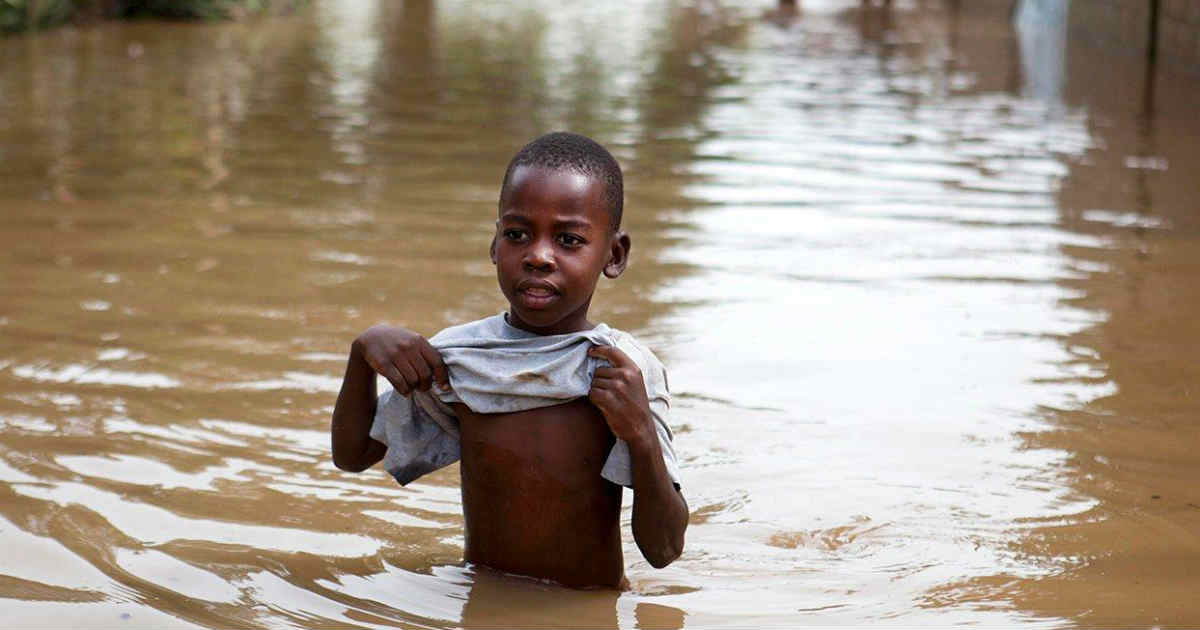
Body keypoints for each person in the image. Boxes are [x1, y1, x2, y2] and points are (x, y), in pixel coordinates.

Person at [330, 132, 688, 589]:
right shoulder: (460, 360)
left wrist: (640, 434)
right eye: (517, 235)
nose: (538, 256)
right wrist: (362, 356)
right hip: (482, 597)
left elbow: (663, 551)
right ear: (495, 244)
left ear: (613, 255)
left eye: (569, 239)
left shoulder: (621, 371)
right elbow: (352, 456)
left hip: (583, 610)